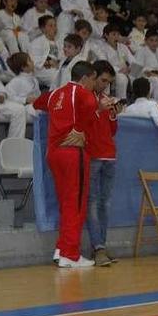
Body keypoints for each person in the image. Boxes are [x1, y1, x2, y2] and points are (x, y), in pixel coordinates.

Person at [33, 61, 105, 268]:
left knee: (66, 203)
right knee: (77, 204)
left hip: (54, 153)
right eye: (93, 79)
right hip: (73, 153)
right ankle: (70, 254)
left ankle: (62, 248)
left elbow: (37, 103)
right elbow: (91, 105)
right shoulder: (83, 93)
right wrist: (81, 129)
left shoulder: (55, 93)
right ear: (85, 78)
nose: (94, 85)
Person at [85, 61, 122, 266]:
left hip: (109, 155)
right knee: (92, 203)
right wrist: (98, 109)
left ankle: (101, 247)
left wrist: (114, 113)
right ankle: (98, 248)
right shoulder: (84, 98)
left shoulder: (105, 99)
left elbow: (112, 131)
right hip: (92, 155)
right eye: (103, 80)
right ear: (93, 77)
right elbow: (83, 125)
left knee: (104, 204)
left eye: (109, 82)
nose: (105, 85)